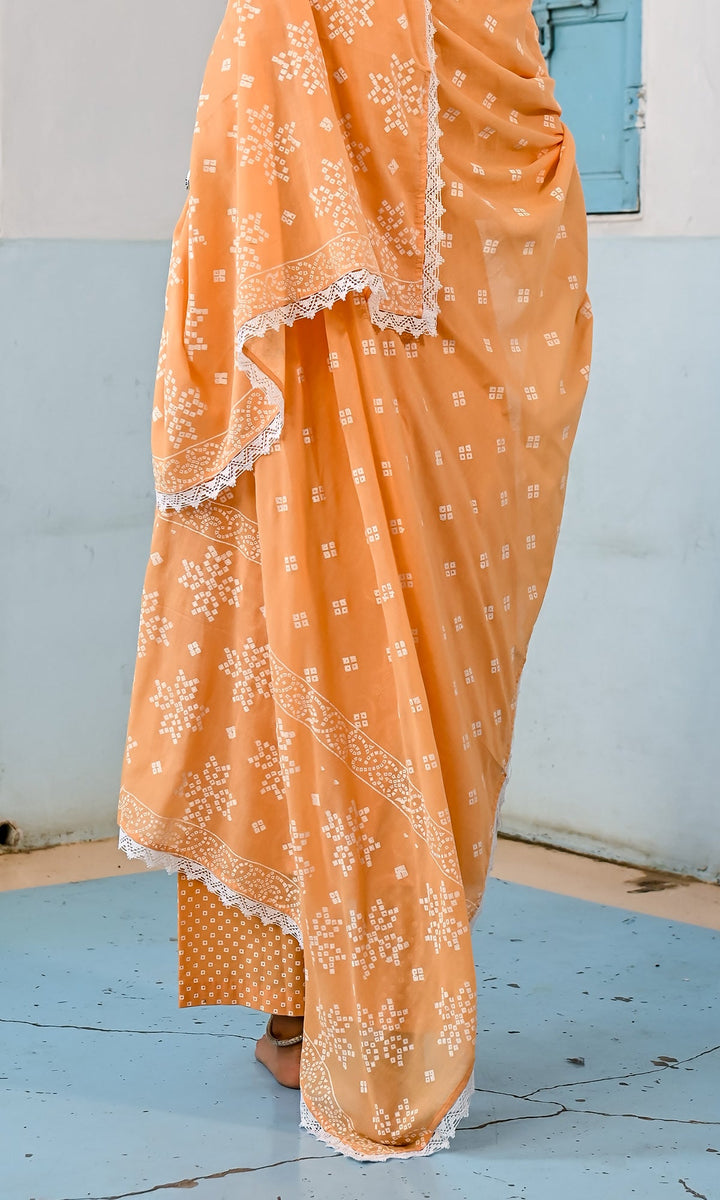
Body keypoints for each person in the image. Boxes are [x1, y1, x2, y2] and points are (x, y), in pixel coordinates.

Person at [118, 0, 592, 1161]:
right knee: (334, 639)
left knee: (364, 649)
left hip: (391, 365)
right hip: (352, 358)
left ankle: (340, 1009)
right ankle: (322, 1007)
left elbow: (240, 184)